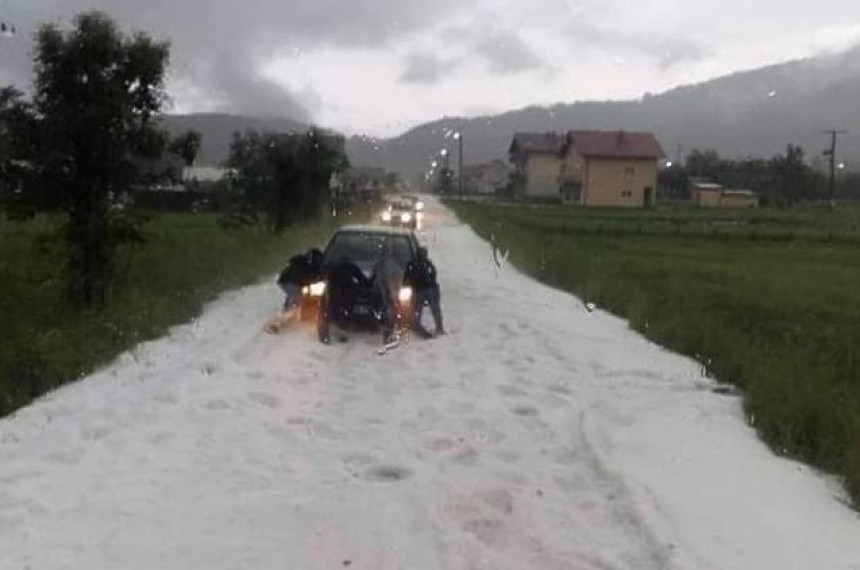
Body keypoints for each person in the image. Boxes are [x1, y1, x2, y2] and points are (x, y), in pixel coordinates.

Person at [273, 248, 323, 326]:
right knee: (298, 300)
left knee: (292, 296)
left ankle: (285, 311)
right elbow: (308, 278)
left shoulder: (300, 260)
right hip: (291, 282)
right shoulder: (309, 266)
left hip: (284, 281)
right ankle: (281, 321)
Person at [404, 246, 444, 337]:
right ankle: (419, 325)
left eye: (423, 253)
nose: (423, 255)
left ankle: (438, 327)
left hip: (425, 289)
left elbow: (433, 273)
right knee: (420, 308)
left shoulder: (421, 264)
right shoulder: (417, 264)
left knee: (424, 308)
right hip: (422, 289)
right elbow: (433, 273)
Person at [371, 240, 405, 345]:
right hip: (385, 291)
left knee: (386, 313)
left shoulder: (380, 263)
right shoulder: (390, 263)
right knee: (389, 313)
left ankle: (385, 334)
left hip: (383, 290)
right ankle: (387, 335)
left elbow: (375, 275)